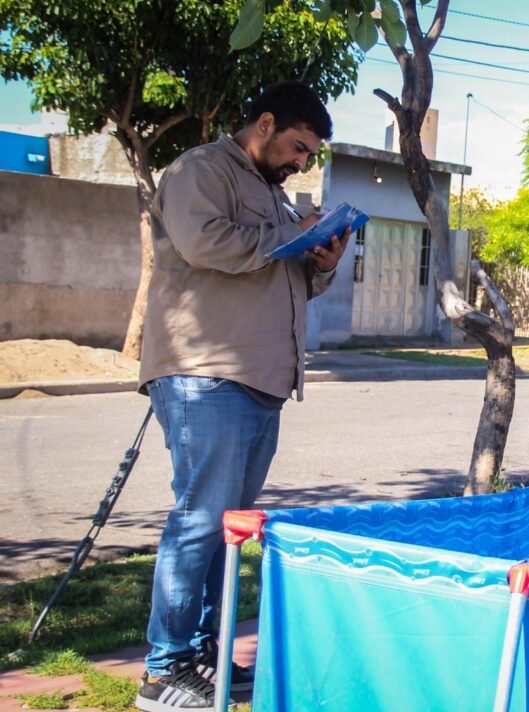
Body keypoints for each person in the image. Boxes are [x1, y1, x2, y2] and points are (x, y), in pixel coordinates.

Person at [134, 81, 350, 711]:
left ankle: (204, 656)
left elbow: (285, 285)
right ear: (263, 124)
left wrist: (322, 259)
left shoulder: (273, 198)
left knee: (226, 528)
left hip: (260, 381)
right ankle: (163, 668)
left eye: (308, 156)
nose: (300, 163)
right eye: (297, 147)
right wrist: (291, 241)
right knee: (200, 519)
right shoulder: (200, 170)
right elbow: (205, 244)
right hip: (207, 373)